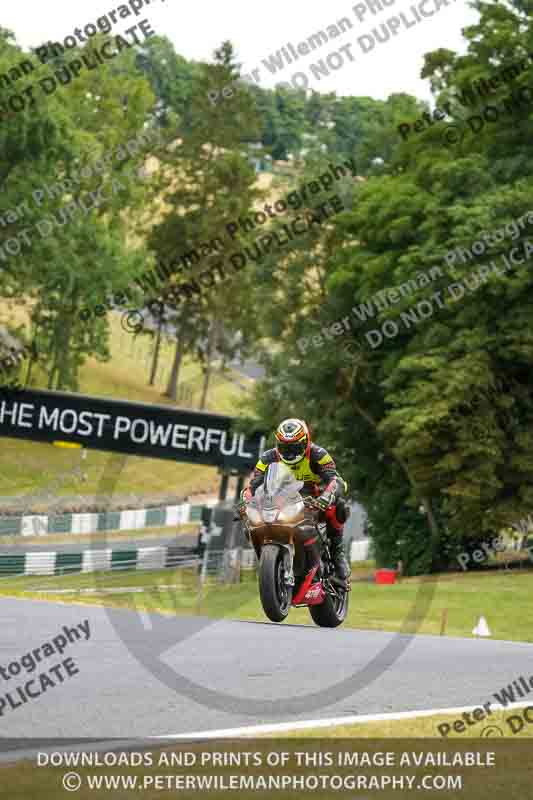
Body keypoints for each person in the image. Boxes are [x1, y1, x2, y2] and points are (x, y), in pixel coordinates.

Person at [241, 418, 350, 583]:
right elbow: (253, 485)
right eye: (285, 447)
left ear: (305, 441)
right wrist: (247, 501)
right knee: (250, 524)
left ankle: (337, 552)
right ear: (278, 444)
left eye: (294, 447)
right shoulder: (267, 458)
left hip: (313, 500)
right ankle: (268, 563)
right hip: (279, 502)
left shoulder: (318, 454)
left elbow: (336, 480)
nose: (289, 452)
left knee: (339, 506)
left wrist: (326, 497)